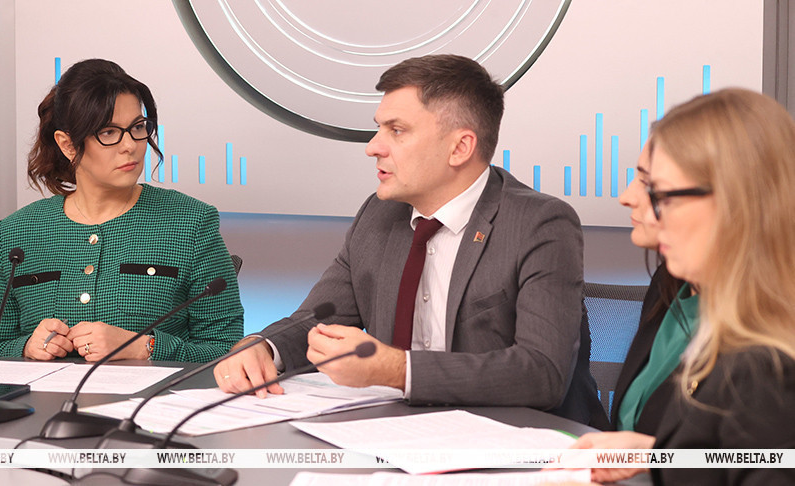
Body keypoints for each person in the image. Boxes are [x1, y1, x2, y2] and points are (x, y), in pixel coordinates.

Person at [213, 54, 607, 428]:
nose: (373, 147)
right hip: (396, 437)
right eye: (379, 128)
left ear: (460, 148)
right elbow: (316, 323)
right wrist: (263, 347)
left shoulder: (539, 223)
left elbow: (541, 373)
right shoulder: (378, 215)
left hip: (523, 443)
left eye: (396, 130)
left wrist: (397, 370)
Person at [573, 88, 795, 485]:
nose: (635, 202)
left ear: (734, 202)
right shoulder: (693, 299)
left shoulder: (767, 368)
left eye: (662, 196)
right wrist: (656, 455)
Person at [0, 59, 244, 363]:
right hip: (44, 396)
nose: (130, 145)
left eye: (138, 128)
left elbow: (228, 350)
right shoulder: (16, 232)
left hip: (154, 396)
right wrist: (26, 347)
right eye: (108, 132)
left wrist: (144, 346)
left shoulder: (191, 222)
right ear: (67, 144)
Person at [610, 141, 686, 434]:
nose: (626, 197)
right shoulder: (668, 281)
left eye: (650, 185)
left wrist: (656, 455)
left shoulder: (768, 335)